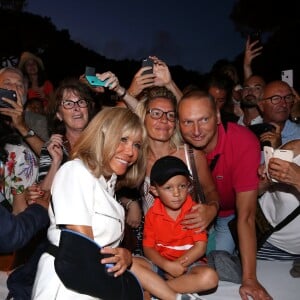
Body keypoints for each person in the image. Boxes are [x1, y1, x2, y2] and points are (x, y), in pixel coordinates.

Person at [31, 107, 201, 300]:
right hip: (69, 288)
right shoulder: (76, 171)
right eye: (123, 139)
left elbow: (107, 252)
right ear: (102, 136)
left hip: (97, 283)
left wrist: (126, 257)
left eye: (137, 145)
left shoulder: (107, 186)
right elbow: (82, 255)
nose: (130, 151)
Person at [177, 90, 272, 300]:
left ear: (218, 117)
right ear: (178, 123)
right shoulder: (175, 144)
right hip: (192, 213)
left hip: (230, 214)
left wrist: (249, 279)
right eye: (188, 122)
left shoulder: (243, 143)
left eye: (204, 120)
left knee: (219, 265)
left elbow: (246, 216)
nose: (196, 131)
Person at [143, 155, 218, 295]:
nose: (177, 193)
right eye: (168, 188)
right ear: (154, 191)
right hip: (160, 264)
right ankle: (169, 286)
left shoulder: (195, 211)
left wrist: (178, 266)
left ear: (188, 186)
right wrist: (167, 266)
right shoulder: (152, 214)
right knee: (132, 263)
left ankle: (156, 290)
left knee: (210, 278)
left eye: (182, 186)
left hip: (189, 264)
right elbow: (148, 249)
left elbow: (200, 248)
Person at [257, 139, 300, 260]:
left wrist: (297, 179)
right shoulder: (294, 149)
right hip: (268, 242)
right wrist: (265, 179)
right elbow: (254, 190)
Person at [0, 67, 48, 155]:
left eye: (19, 85)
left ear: (25, 93)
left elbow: (50, 158)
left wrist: (22, 127)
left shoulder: (38, 121)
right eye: (7, 83)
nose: (14, 88)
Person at [257, 80, 300, 148]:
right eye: (276, 99)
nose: (284, 104)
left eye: (288, 98)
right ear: (261, 106)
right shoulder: (250, 134)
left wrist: (278, 148)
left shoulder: (298, 135)